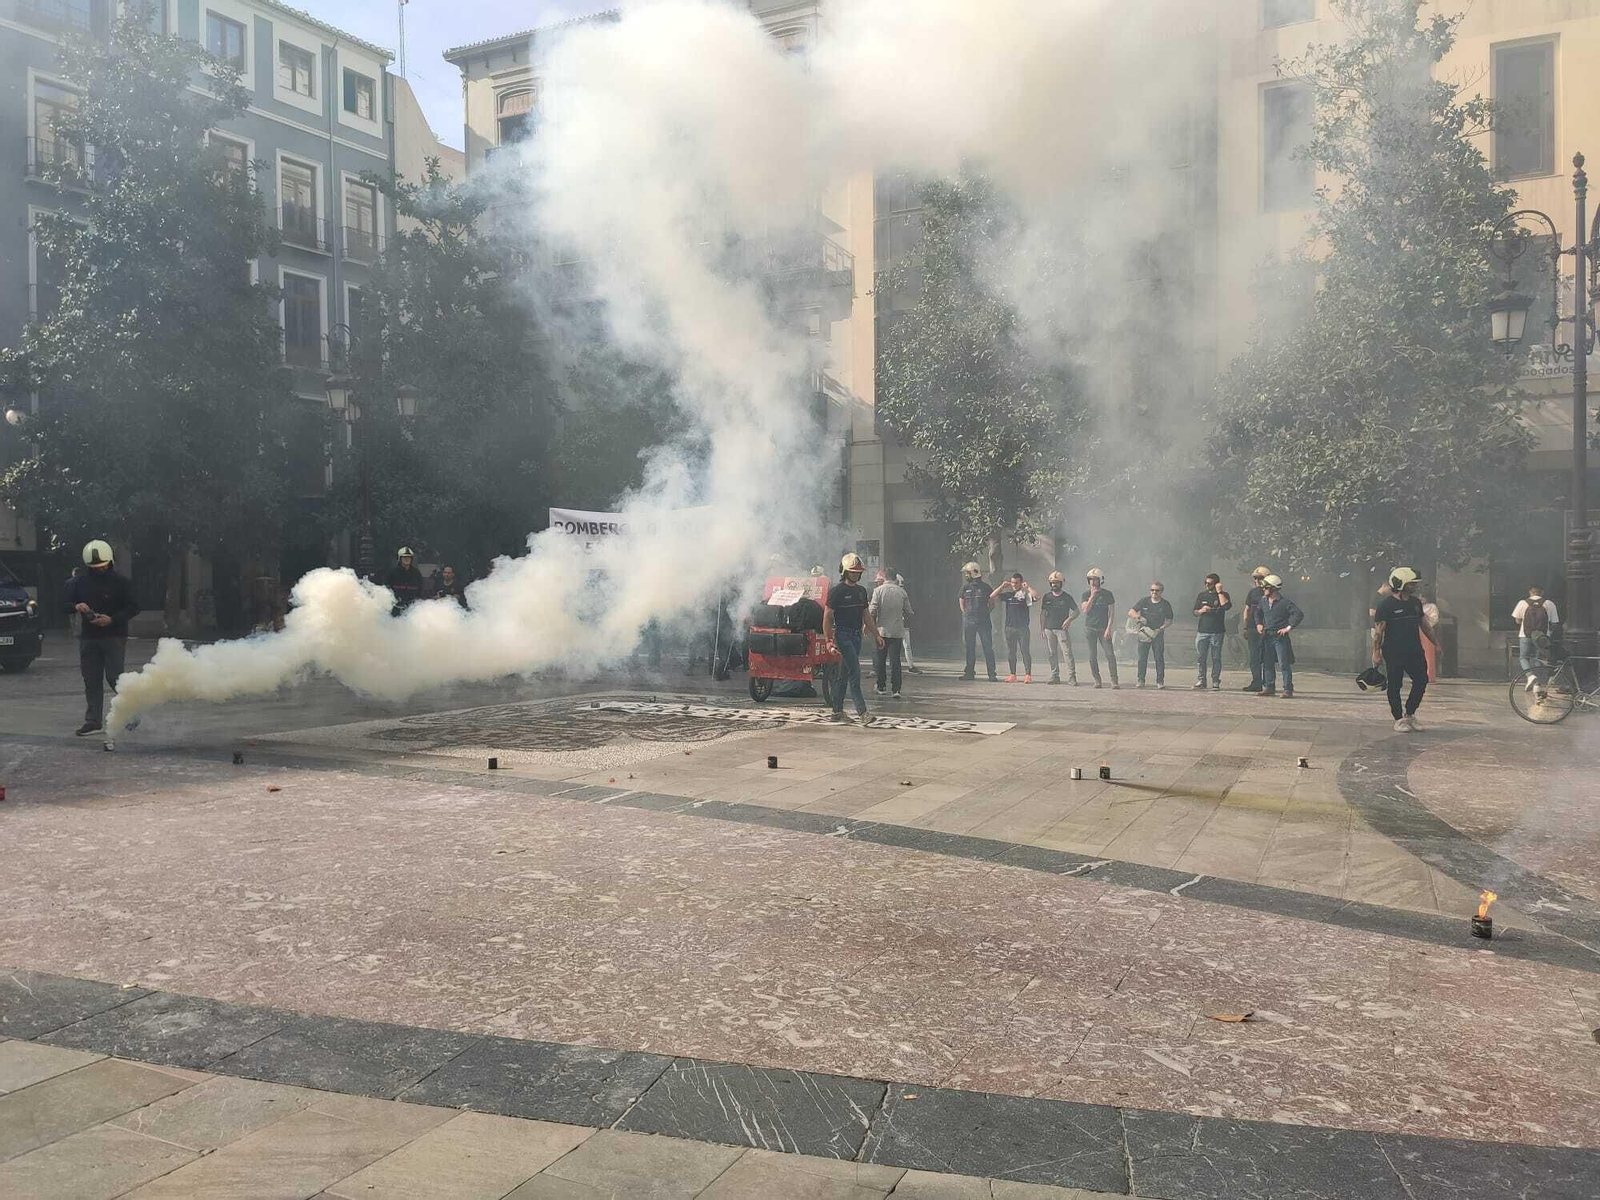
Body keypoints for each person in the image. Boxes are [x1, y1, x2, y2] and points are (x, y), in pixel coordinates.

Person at [63, 539, 140, 737]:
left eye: (102, 566)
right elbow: (64, 604)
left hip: (114, 635)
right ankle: (93, 721)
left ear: (110, 562)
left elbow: (134, 607)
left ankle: (131, 712)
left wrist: (112, 619)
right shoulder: (78, 582)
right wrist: (76, 606)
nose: (99, 569)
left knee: (115, 677)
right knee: (91, 678)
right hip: (89, 637)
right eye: (94, 567)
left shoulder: (122, 582)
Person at [1373, 566, 1437, 731]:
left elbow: (1425, 626)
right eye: (1411, 583)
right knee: (1395, 685)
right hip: (1393, 652)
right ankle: (1398, 718)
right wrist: (1376, 653)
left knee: (1421, 680)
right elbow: (1379, 632)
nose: (1415, 586)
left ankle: (1410, 714)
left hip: (1414, 650)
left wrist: (1436, 644)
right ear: (1400, 583)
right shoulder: (1385, 606)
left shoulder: (1415, 603)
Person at [824, 552, 885, 724]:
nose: (856, 574)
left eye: (858, 572)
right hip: (843, 635)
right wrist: (828, 640)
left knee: (843, 675)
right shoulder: (836, 592)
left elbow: (866, 615)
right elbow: (827, 616)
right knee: (854, 672)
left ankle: (836, 712)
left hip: (857, 635)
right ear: (844, 571)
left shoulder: (861, 591)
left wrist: (877, 635)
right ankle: (863, 713)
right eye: (852, 572)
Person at [1254, 574, 1303, 698]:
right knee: (1267, 662)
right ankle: (1269, 687)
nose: (1263, 590)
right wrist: (1259, 624)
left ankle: (1288, 689)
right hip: (1267, 636)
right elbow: (1257, 613)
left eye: (1265, 588)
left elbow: (1298, 614)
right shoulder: (1263, 601)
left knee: (1283, 664)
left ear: (1273, 588)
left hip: (1279, 638)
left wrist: (1288, 628)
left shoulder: (1284, 602)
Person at [870, 567, 913, 698]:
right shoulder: (902, 592)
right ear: (895, 578)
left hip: (881, 632)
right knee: (895, 661)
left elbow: (872, 611)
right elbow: (909, 612)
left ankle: (881, 686)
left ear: (885, 578)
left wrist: (870, 625)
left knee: (881, 660)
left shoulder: (878, 591)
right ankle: (896, 689)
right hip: (897, 632)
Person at [1512, 585, 1559, 691]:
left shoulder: (1522, 603)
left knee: (1523, 657)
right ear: (1542, 592)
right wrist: (1548, 632)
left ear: (1530, 592)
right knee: (1539, 659)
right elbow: (1555, 623)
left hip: (1525, 635)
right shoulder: (1549, 603)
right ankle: (1537, 685)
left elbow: (1517, 620)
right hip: (1542, 637)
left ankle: (1530, 676)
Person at [993, 571, 1038, 682]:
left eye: (1016, 583)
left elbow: (1036, 597)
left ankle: (1028, 675)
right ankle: (1012, 674)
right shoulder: (1008, 595)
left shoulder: (1026, 595)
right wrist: (1002, 586)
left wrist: (1028, 588)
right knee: (1011, 652)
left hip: (1022, 628)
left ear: (1021, 582)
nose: (1014, 585)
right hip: (1009, 628)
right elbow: (992, 596)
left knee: (1025, 651)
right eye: (1012, 583)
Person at [957, 562, 998, 682]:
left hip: (984, 622)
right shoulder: (965, 587)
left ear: (973, 573)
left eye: (967, 573)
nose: (966, 575)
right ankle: (969, 673)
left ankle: (992, 674)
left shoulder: (986, 587)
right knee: (970, 647)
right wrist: (966, 614)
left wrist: (985, 614)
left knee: (987, 647)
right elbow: (961, 601)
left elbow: (992, 604)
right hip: (969, 622)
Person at [1128, 581, 1174, 688]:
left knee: (1159, 658)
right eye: (1152, 590)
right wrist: (1139, 617)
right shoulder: (1144, 601)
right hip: (1144, 634)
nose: (1154, 592)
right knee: (1142, 658)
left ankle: (1160, 681)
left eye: (1157, 590)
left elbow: (1169, 620)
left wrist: (1160, 629)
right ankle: (1140, 680)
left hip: (1157, 634)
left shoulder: (1165, 604)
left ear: (1161, 592)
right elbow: (1131, 612)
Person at [1080, 567, 1119, 689]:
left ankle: (1114, 680)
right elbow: (1085, 610)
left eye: (1095, 579)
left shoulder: (1107, 594)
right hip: (1090, 628)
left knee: (1110, 655)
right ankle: (1097, 679)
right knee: (1092, 655)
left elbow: (1111, 613)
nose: (1092, 582)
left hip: (1103, 628)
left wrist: (1108, 628)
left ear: (1100, 580)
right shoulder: (1085, 594)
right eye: (1090, 579)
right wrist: (1092, 596)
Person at [1192, 573, 1231, 690]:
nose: (1207, 585)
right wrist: (1201, 611)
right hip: (1202, 631)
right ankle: (1201, 680)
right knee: (1201, 657)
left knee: (1216, 657)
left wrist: (1219, 592)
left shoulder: (1223, 595)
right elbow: (1194, 612)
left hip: (1217, 631)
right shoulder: (1202, 595)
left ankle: (1215, 680)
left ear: (1216, 584)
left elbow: (1226, 606)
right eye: (1206, 583)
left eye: (1209, 583)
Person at [1039, 570, 1078, 685]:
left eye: (1056, 582)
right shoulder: (1047, 597)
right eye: (1052, 583)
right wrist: (1042, 629)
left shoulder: (1067, 597)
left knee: (1067, 653)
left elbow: (1077, 611)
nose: (1054, 585)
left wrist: (1069, 619)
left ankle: (1072, 676)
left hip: (1062, 630)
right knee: (1052, 653)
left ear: (1061, 583)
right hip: (1049, 629)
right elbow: (1043, 613)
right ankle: (1055, 675)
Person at [1241, 567, 1269, 691]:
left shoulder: (1271, 592)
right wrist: (1245, 627)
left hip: (1267, 629)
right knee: (1254, 658)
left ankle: (1268, 684)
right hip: (1252, 628)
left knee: (1267, 657)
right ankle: (1256, 682)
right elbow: (1247, 610)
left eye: (1260, 578)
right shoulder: (1252, 593)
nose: (1257, 580)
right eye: (1255, 578)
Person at [895, 572, 921, 673]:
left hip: (899, 623)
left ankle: (910, 665)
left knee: (905, 645)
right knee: (905, 646)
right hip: (898, 622)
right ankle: (910, 666)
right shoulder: (901, 593)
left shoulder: (900, 593)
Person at [384, 547, 425, 611]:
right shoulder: (392, 572)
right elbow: (387, 588)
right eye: (404, 557)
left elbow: (420, 588)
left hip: (412, 607)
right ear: (400, 558)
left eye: (409, 557)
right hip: (395, 606)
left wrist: (417, 600)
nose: (407, 559)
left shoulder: (416, 572)